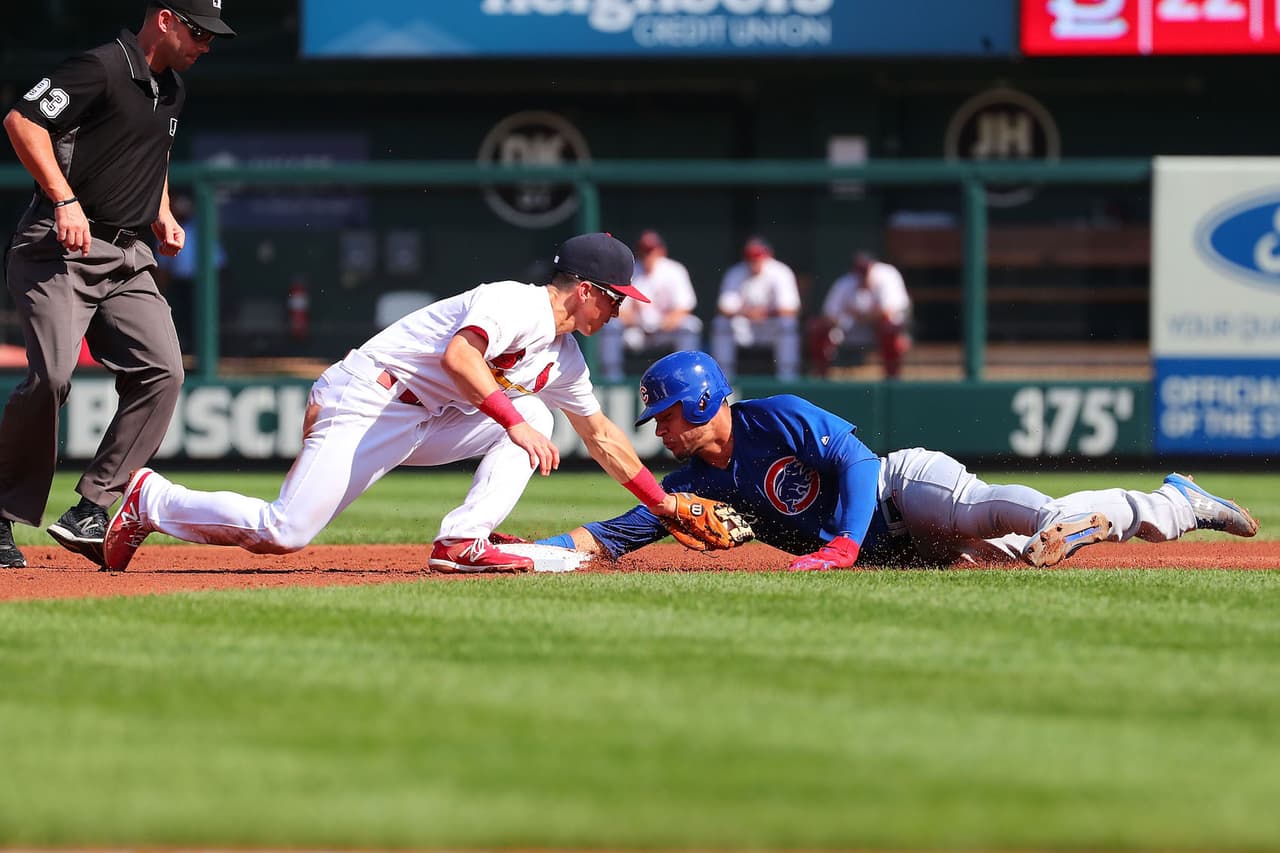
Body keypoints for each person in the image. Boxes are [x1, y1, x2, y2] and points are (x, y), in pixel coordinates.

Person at [100, 233, 696, 574]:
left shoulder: (565, 357)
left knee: (542, 416)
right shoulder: (516, 303)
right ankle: (151, 498)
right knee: (283, 534)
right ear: (587, 290)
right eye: (616, 300)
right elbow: (460, 359)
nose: (620, 312)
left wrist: (665, 506)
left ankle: (463, 540)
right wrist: (511, 422)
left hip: (424, 420)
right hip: (368, 397)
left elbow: (602, 436)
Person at [536, 351, 1259, 570]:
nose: (656, 428)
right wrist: (526, 552)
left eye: (662, 412)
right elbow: (618, 531)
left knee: (983, 509)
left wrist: (842, 544)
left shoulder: (776, 415)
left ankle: (1060, 522)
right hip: (905, 553)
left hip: (897, 487)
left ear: (697, 403)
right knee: (1013, 556)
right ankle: (1175, 502)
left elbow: (854, 461)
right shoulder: (691, 479)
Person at [0, 1, 236, 570]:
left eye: (211, 36)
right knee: (52, 376)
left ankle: (92, 508)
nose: (206, 45)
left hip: (128, 253)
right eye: (199, 31)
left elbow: (152, 154)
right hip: (60, 247)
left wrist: (161, 213)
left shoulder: (173, 88)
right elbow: (21, 121)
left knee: (165, 370)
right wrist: (64, 199)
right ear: (165, 19)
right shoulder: (100, 67)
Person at [597, 230, 702, 380]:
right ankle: (613, 379)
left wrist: (664, 322)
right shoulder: (631, 271)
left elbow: (685, 308)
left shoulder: (674, 270)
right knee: (611, 327)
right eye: (644, 251)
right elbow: (619, 310)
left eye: (651, 251)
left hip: (666, 331)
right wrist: (639, 321)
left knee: (690, 325)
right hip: (637, 332)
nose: (648, 255)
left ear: (661, 251)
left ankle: (689, 377)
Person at [807, 251, 912, 379]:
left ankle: (892, 379)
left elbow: (889, 312)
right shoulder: (846, 282)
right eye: (859, 269)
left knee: (889, 326)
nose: (862, 273)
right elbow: (829, 316)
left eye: (865, 269)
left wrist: (858, 314)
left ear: (873, 266)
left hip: (880, 329)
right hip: (852, 329)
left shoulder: (887, 275)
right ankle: (822, 377)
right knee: (818, 328)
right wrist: (844, 318)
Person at [710, 236, 801, 380]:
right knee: (721, 323)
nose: (755, 262)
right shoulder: (736, 272)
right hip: (745, 325)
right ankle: (725, 378)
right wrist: (748, 313)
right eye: (751, 258)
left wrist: (764, 313)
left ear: (768, 256)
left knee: (788, 323)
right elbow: (723, 308)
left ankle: (788, 377)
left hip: (771, 325)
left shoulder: (780, 271)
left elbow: (790, 310)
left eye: (759, 257)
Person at [154, 192, 228, 353]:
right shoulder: (163, 228)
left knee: (207, 322)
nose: (181, 206)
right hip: (181, 286)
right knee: (182, 323)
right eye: (178, 202)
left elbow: (219, 262)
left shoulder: (202, 223)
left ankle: (211, 353)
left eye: (184, 203)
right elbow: (163, 270)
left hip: (208, 282)